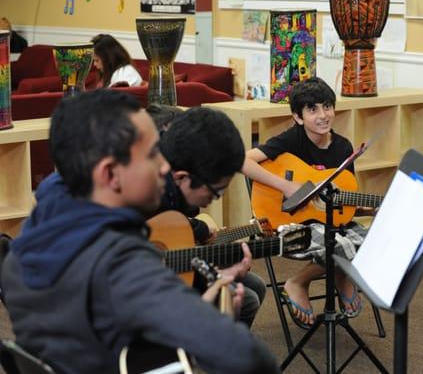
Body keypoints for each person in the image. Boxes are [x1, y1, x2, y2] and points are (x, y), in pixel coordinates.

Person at [0, 89, 279, 373]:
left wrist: (186, 310)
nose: (164, 167)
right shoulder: (123, 265)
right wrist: (211, 322)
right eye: (152, 155)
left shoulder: (28, 242)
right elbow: (249, 358)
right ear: (110, 174)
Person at [242, 77, 369, 328]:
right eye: (312, 109)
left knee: (370, 243)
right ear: (298, 117)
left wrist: (373, 207)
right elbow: (242, 160)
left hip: (331, 223)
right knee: (339, 244)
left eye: (327, 106)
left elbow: (344, 199)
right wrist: (287, 186)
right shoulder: (292, 140)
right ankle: (298, 282)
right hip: (291, 226)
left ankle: (339, 272)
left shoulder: (343, 147)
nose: (323, 115)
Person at [156, 106, 267, 328]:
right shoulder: (139, 195)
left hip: (165, 271)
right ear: (181, 177)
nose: (213, 200)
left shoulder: (172, 192)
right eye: (214, 191)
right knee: (245, 299)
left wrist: (223, 273)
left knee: (252, 286)